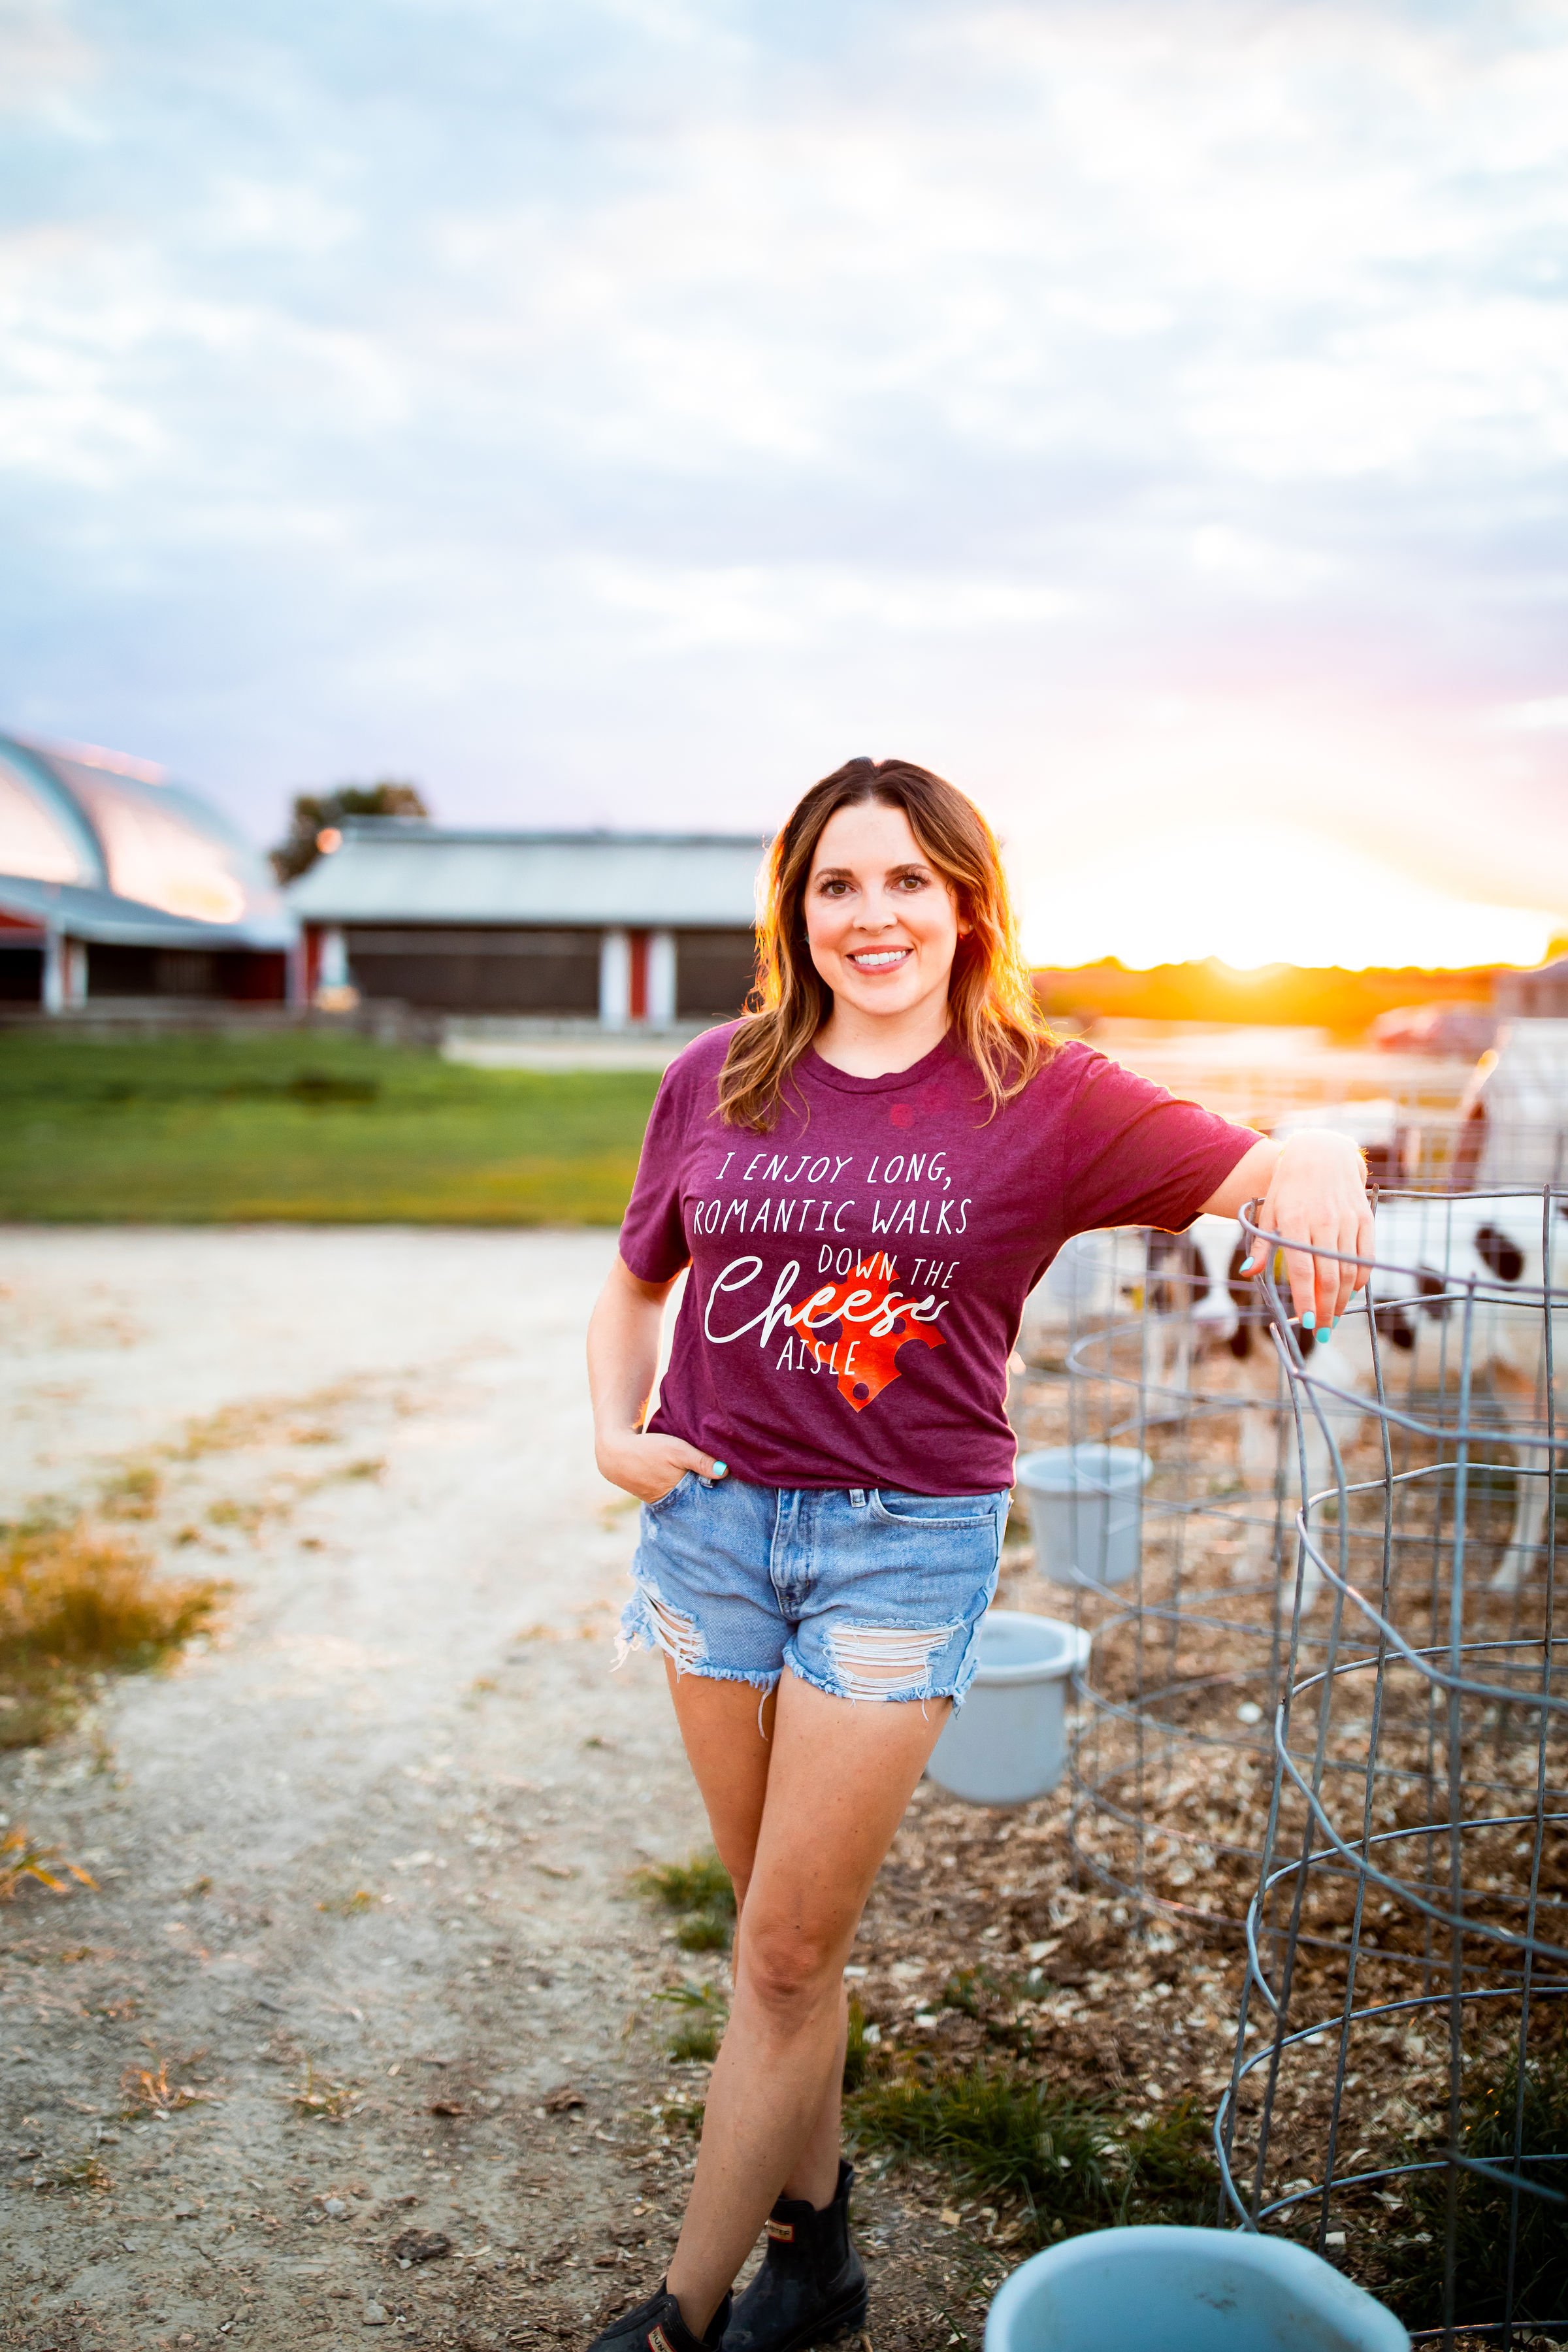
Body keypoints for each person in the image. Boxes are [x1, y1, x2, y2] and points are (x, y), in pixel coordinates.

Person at [584, 757, 1371, 2352]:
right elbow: (630, 1285)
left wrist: (1331, 1143)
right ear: (796, 911)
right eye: (836, 886)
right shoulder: (716, 1077)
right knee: (773, 1943)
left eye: (906, 884)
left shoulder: (1048, 1097)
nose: (872, 917)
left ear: (965, 905)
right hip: (712, 1534)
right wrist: (615, 1434)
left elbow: (1255, 1168)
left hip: (899, 1551)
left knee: (794, 1946)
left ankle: (678, 2316)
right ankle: (822, 2260)